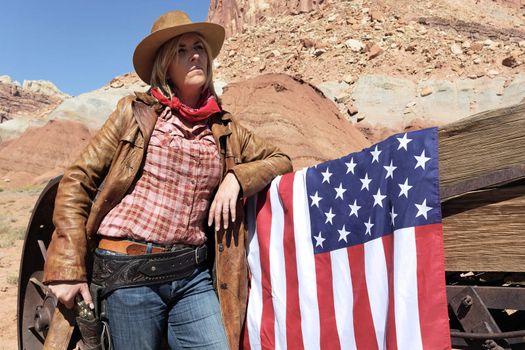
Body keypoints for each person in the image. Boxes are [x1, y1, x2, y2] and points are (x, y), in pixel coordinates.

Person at [43, 10, 292, 350]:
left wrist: (237, 177)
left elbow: (280, 161)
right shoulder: (134, 113)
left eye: (199, 48)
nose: (194, 55)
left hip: (192, 276)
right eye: (181, 50)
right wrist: (68, 266)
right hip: (128, 274)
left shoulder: (225, 129)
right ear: (165, 65)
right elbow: (78, 179)